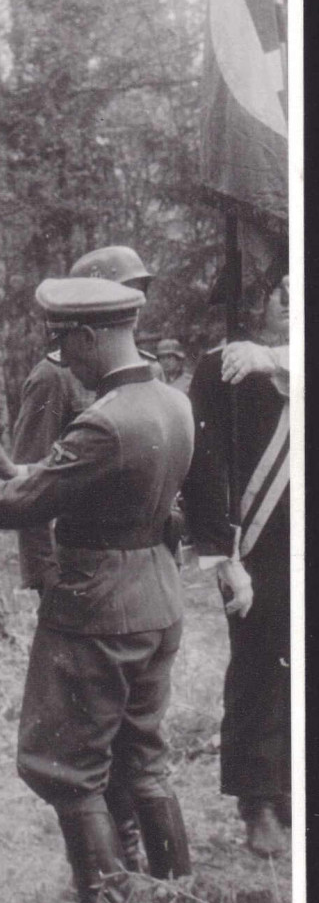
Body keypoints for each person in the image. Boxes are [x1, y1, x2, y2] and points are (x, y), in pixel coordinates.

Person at [0, 277, 194, 903]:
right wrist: (12, 463)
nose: (64, 359)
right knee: (142, 759)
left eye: (64, 343)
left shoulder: (104, 419)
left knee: (65, 766)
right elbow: (79, 480)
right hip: (155, 597)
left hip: (95, 610)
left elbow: (21, 506)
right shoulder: (169, 400)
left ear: (86, 338)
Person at [11, 246, 159, 872]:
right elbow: (31, 476)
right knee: (103, 747)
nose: (135, 305)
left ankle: (134, 876)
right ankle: (122, 867)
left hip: (118, 583)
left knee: (115, 747)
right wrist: (46, 576)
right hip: (84, 580)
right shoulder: (53, 376)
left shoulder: (138, 376)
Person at [183, 273, 290, 858]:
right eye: (283, 295)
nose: (294, 307)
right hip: (257, 547)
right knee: (258, 668)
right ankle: (259, 800)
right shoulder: (220, 369)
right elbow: (205, 471)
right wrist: (224, 558)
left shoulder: (281, 360)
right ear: (255, 301)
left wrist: (274, 356)